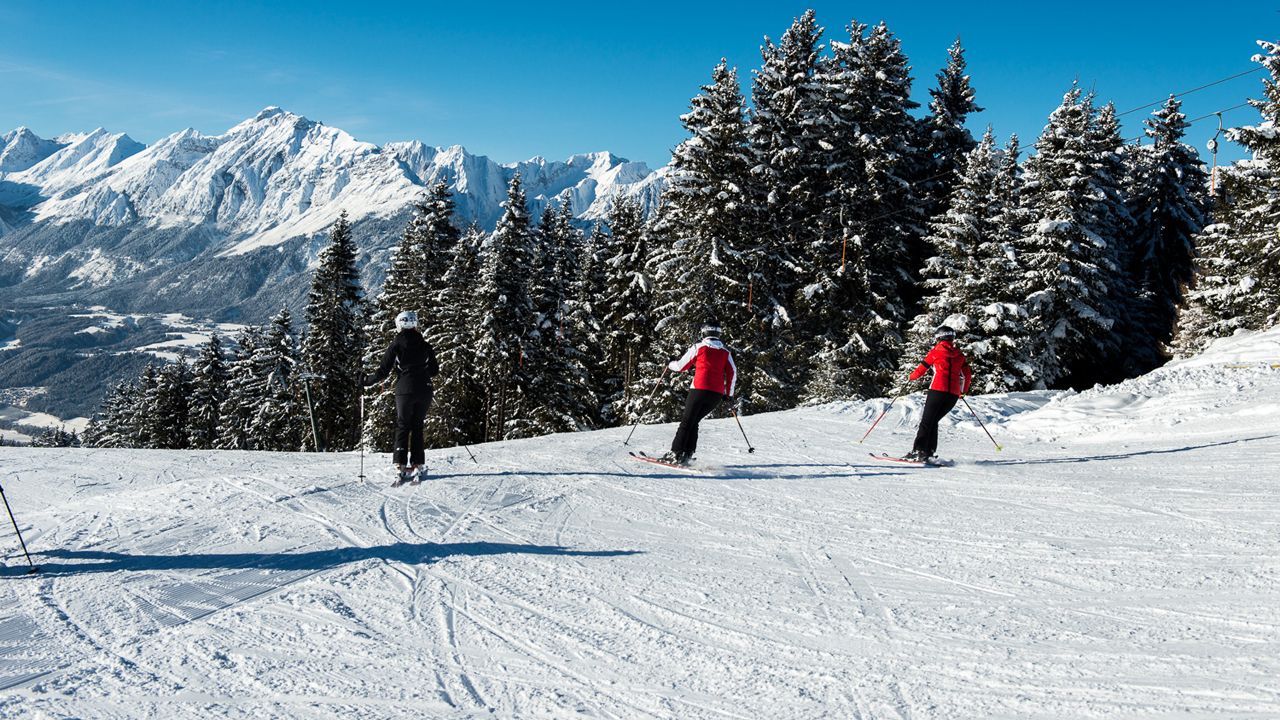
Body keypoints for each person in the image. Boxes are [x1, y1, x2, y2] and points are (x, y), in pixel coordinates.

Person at [364, 310, 439, 483]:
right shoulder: (425, 345)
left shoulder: (396, 345)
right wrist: (421, 372)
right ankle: (418, 465)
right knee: (418, 426)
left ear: (399, 324)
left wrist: (365, 381)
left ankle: (399, 465)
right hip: (425, 389)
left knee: (403, 425)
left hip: (404, 390)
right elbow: (434, 371)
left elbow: (382, 371)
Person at [662, 320, 736, 466]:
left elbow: (680, 366)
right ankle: (687, 454)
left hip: (699, 390)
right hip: (716, 395)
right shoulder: (726, 352)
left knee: (686, 422)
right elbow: (733, 372)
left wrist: (669, 363)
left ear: (704, 332)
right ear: (718, 333)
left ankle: (675, 454)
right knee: (694, 421)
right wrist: (729, 394)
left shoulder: (699, 347)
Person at [904, 325, 973, 462]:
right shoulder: (959, 354)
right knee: (933, 421)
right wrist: (963, 391)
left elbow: (921, 369)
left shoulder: (935, 352)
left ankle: (918, 451)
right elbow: (967, 375)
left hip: (937, 390)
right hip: (953, 394)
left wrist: (910, 377)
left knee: (926, 422)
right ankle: (929, 451)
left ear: (939, 338)